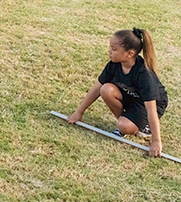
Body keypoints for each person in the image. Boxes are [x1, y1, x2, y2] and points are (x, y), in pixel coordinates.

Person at [65, 28, 167, 157]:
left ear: (129, 54)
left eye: (113, 49)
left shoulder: (144, 75)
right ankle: (127, 120)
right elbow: (97, 89)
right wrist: (79, 112)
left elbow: (151, 109)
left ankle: (143, 127)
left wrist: (156, 141)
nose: (109, 51)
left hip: (149, 104)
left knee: (124, 126)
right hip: (130, 96)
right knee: (106, 89)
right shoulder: (114, 64)